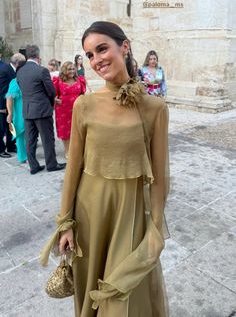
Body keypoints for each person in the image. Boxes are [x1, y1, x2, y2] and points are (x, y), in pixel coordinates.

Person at [41, 21, 169, 317]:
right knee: (90, 293)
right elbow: (73, 168)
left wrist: (156, 229)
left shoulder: (155, 109)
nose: (96, 60)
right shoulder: (84, 105)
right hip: (89, 214)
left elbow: (160, 178)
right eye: (89, 54)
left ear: (124, 47)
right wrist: (65, 223)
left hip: (131, 214)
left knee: (122, 296)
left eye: (102, 48)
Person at [17, 44, 66, 174]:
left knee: (30, 139)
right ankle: (51, 164)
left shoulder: (20, 71)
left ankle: (33, 166)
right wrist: (51, 103)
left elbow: (22, 88)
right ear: (38, 56)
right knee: (47, 138)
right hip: (42, 110)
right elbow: (51, 91)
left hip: (27, 109)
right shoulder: (42, 70)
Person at [53, 61, 86, 158]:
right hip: (63, 109)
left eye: (73, 69)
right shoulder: (58, 81)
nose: (72, 71)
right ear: (64, 70)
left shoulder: (80, 80)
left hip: (78, 109)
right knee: (65, 131)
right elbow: (53, 94)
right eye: (69, 69)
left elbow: (82, 94)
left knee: (79, 129)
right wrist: (54, 99)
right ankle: (67, 151)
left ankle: (78, 149)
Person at [6, 53, 27, 163]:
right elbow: (9, 98)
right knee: (19, 135)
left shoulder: (25, 80)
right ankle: (22, 156)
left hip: (26, 111)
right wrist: (10, 113)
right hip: (18, 112)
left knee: (26, 135)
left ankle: (27, 154)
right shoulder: (14, 81)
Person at [0, 53, 16, 158]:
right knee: (1, 127)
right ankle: (1, 149)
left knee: (10, 125)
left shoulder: (5, 67)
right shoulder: (5, 67)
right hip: (2, 103)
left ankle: (11, 145)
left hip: (7, 101)